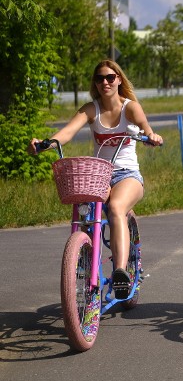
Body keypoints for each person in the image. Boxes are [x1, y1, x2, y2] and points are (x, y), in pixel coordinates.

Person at [28, 59, 164, 299]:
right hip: (98, 175)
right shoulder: (91, 109)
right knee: (85, 214)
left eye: (110, 77)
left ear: (119, 79)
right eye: (100, 78)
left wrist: (151, 136)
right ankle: (82, 257)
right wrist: (44, 144)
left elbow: (145, 128)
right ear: (95, 83)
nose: (105, 82)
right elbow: (67, 132)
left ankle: (121, 271)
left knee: (115, 208)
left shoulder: (129, 108)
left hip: (127, 175)